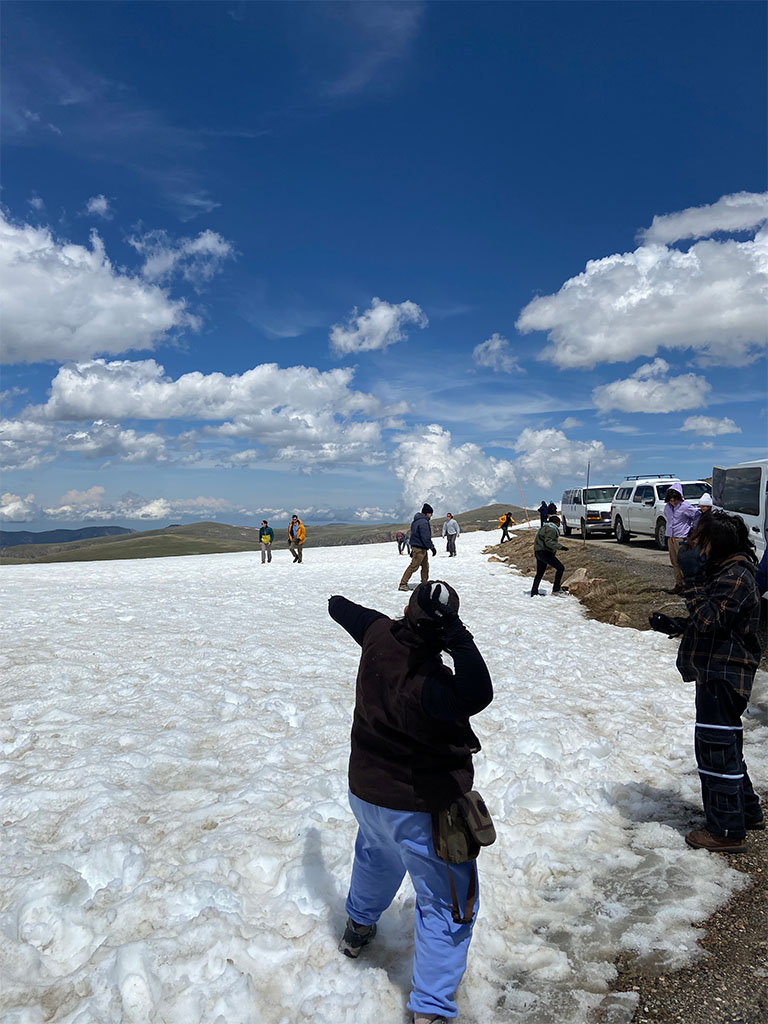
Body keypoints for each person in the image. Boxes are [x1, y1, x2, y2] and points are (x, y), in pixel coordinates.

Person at [329, 580, 493, 1024]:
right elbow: (479, 692)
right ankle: (432, 1010)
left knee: (375, 858)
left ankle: (358, 928)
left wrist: (343, 604)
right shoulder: (433, 686)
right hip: (420, 807)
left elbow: (341, 608)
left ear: (406, 608)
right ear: (444, 632)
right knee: (446, 902)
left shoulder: (378, 635)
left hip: (366, 793)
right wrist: (458, 638)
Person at [649, 511, 764, 852]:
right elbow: (712, 621)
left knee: (715, 752)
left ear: (719, 543)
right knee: (725, 746)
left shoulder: (738, 576)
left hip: (724, 676)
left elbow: (711, 618)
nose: (694, 546)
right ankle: (746, 811)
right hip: (716, 671)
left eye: (701, 541)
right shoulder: (727, 571)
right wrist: (678, 625)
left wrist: (692, 578)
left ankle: (726, 832)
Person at [664, 482, 700, 592]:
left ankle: (687, 585)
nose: (673, 501)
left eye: (675, 498)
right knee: (674, 562)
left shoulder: (685, 507)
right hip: (670, 537)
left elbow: (697, 515)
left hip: (681, 537)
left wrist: (693, 529)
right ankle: (678, 584)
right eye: (670, 499)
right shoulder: (667, 507)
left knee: (683, 562)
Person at [399, 504, 437, 592]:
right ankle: (403, 584)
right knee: (413, 566)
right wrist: (432, 547)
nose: (431, 515)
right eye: (431, 513)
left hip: (420, 547)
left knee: (425, 566)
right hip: (420, 548)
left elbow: (413, 535)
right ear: (427, 513)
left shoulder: (415, 521)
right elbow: (425, 537)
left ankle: (424, 583)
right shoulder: (423, 522)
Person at [530, 514, 569, 597]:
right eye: (559, 523)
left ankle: (534, 591)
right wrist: (561, 547)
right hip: (545, 552)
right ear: (556, 523)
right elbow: (549, 542)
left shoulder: (544, 528)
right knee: (560, 568)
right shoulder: (551, 529)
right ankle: (556, 589)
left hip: (538, 552)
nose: (559, 525)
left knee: (540, 573)